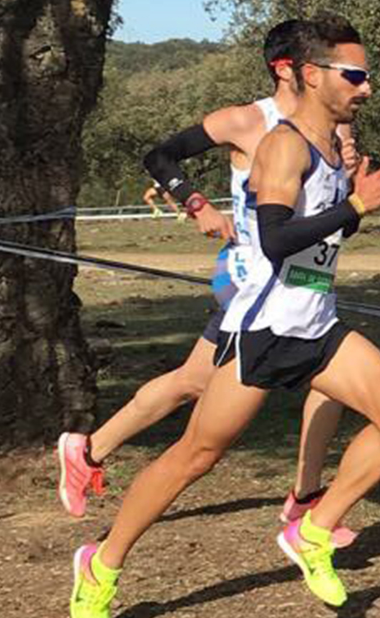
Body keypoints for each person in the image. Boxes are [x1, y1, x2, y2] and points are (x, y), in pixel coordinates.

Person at [69, 14, 380, 618]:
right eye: (356, 76)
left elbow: (329, 235)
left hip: (318, 324)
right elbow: (280, 238)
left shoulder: (335, 146)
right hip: (265, 329)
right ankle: (102, 564)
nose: (366, 88)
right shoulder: (282, 145)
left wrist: (353, 201)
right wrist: (356, 205)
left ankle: (311, 530)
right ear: (312, 75)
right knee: (194, 457)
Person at [56, 20, 357, 547]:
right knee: (305, 377)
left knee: (198, 381)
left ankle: (88, 450)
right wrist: (196, 203)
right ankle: (306, 500)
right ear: (290, 69)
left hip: (300, 277)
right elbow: (159, 156)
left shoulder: (331, 124)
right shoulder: (247, 120)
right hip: (251, 275)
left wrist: (350, 175)